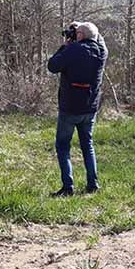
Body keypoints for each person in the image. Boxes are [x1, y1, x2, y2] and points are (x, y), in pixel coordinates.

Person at [47, 21, 108, 196]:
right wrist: (83, 28)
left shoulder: (71, 50)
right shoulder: (102, 52)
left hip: (69, 108)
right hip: (90, 108)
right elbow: (97, 37)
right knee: (87, 145)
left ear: (79, 36)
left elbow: (52, 66)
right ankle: (93, 184)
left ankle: (68, 187)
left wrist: (64, 46)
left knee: (63, 146)